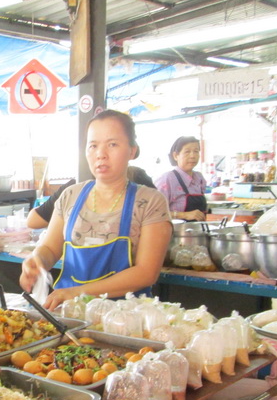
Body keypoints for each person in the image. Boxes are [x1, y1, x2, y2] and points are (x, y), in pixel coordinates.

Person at [19, 110, 172, 310]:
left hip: (126, 318)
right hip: (70, 314)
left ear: (132, 151)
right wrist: (36, 261)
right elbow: (50, 248)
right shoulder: (70, 196)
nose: (101, 154)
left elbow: (146, 272)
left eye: (112, 144)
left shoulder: (150, 201)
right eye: (93, 146)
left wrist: (78, 292)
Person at [154, 136, 208, 221]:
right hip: (175, 232)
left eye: (196, 151)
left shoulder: (199, 178)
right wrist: (184, 215)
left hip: (198, 231)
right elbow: (154, 212)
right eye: (187, 152)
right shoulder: (167, 179)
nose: (192, 156)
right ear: (175, 155)